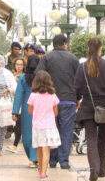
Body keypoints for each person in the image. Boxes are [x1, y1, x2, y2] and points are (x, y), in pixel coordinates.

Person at [75, 38, 105, 181]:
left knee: (91, 139)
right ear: (100, 49)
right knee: (103, 139)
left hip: (88, 107)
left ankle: (94, 168)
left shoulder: (82, 67)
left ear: (88, 49)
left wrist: (78, 99)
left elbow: (78, 88)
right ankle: (102, 171)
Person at [36, 34, 79, 169]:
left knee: (52, 129)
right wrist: (78, 97)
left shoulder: (46, 58)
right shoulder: (73, 58)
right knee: (67, 130)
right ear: (65, 43)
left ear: (54, 44)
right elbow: (79, 79)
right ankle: (64, 160)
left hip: (50, 100)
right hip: (69, 100)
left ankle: (53, 160)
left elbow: (39, 75)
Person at [28, 70, 61, 180]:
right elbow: (56, 112)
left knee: (39, 148)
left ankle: (40, 168)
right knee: (46, 150)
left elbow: (30, 110)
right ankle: (43, 172)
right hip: (49, 126)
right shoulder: (53, 95)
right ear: (49, 81)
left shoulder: (33, 95)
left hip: (37, 126)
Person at [12, 56, 40, 167]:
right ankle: (39, 157)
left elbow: (18, 95)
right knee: (39, 133)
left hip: (27, 109)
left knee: (27, 134)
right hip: (41, 109)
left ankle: (33, 158)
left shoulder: (23, 78)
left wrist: (15, 111)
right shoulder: (42, 77)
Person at [0, 53, 17, 156]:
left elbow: (15, 87)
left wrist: (8, 90)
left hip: (2, 105)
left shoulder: (6, 73)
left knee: (1, 125)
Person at [7, 57, 26, 153]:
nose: (19, 66)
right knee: (15, 125)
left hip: (21, 103)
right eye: (17, 64)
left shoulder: (24, 77)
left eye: (21, 65)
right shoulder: (11, 75)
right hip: (11, 102)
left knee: (18, 124)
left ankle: (15, 145)